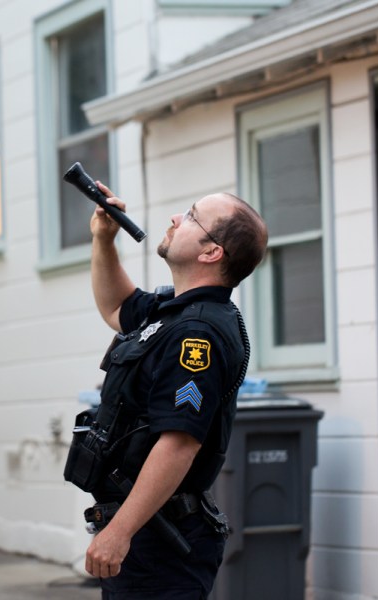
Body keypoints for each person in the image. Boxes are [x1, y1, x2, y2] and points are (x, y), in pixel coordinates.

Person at [73, 182, 268, 599]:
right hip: (147, 535)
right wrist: (104, 238)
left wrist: (120, 532)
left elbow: (179, 443)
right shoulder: (174, 312)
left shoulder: (197, 334)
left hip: (160, 542)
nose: (176, 219)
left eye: (192, 216)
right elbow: (115, 307)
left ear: (211, 252)